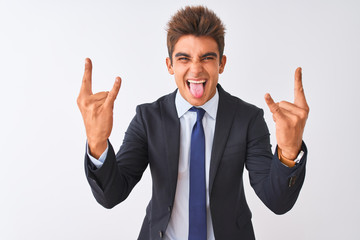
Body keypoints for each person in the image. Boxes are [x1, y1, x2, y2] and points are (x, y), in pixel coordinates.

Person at [77, 5, 309, 240]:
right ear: (170, 65)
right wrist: (97, 142)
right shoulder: (148, 119)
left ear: (222, 63)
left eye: (207, 58)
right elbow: (112, 195)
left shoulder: (247, 119)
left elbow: (277, 202)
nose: (196, 69)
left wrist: (289, 152)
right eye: (184, 58)